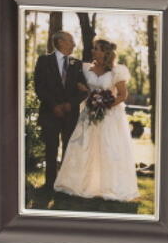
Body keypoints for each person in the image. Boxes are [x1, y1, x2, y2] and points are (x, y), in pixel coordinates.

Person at [54, 39, 139, 202]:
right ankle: (80, 185)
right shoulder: (86, 68)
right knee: (84, 146)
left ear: (105, 52)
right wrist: (86, 92)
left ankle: (110, 187)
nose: (93, 51)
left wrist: (105, 105)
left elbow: (122, 95)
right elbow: (79, 88)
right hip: (89, 114)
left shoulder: (117, 71)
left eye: (96, 49)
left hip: (110, 116)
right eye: (93, 48)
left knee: (109, 149)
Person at [32, 30, 86, 191]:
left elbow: (84, 91)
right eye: (71, 41)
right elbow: (39, 87)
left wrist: (70, 104)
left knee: (69, 149)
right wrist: (54, 105)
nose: (74, 44)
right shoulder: (43, 61)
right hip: (50, 112)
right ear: (60, 42)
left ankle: (65, 183)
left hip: (71, 114)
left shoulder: (77, 64)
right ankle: (49, 184)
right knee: (51, 148)